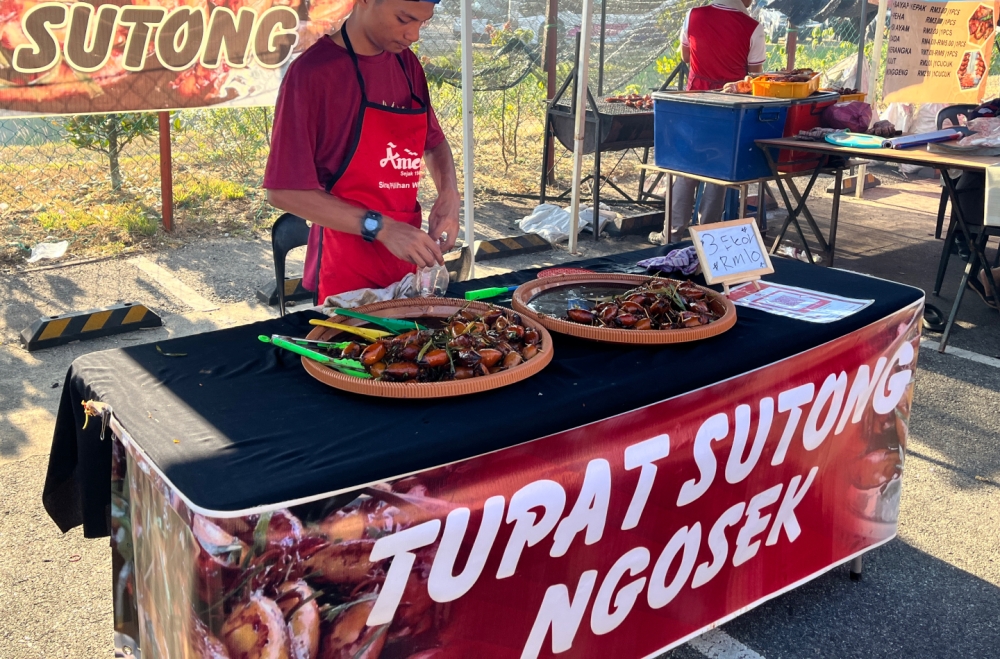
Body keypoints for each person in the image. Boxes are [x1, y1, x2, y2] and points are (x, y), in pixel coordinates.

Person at [264, 0, 460, 301]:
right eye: (404, 19)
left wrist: (449, 193)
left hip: (406, 263)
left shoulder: (407, 65)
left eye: (423, 23)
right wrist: (381, 227)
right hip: (346, 271)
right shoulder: (311, 75)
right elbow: (284, 191)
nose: (414, 35)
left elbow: (433, 142)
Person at [650, 0, 765, 245]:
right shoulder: (753, 26)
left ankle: (671, 233)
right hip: (730, 106)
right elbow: (755, 74)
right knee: (717, 171)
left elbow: (686, 55)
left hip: (695, 99)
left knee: (685, 168)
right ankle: (707, 236)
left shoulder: (694, 15)